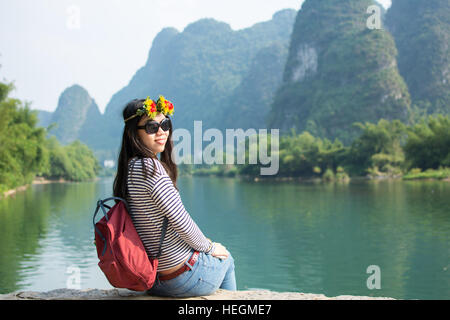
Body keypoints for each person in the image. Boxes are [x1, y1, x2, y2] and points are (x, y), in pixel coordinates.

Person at [112, 96, 236, 297]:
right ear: (134, 133)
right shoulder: (150, 168)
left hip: (152, 279)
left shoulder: (130, 167)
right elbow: (181, 220)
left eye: (165, 124)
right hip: (179, 277)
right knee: (227, 259)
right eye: (151, 127)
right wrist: (210, 247)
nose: (161, 132)